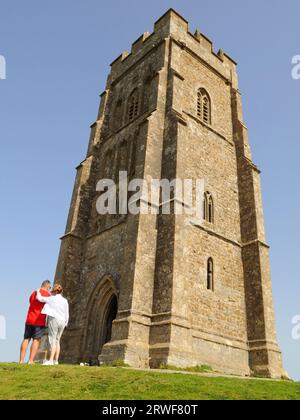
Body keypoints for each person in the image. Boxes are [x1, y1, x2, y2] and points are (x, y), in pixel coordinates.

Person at [36, 283, 69, 366]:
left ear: (54, 291)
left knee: (52, 339)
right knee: (58, 340)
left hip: (54, 319)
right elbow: (67, 313)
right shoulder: (65, 301)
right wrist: (66, 323)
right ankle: (56, 360)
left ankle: (50, 360)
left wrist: (38, 291)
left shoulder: (52, 298)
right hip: (63, 321)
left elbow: (39, 298)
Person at [19, 280, 51, 364]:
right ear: (47, 286)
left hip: (29, 319)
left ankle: (21, 360)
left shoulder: (33, 293)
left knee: (26, 339)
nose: (49, 289)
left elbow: (30, 302)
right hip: (39, 320)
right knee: (36, 340)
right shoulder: (47, 295)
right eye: (49, 288)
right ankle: (30, 360)